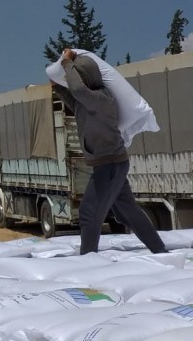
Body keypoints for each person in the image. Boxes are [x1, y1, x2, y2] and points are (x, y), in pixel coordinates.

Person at [51, 49, 167, 256]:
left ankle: (88, 261)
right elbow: (75, 101)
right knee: (128, 213)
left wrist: (67, 63)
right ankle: (160, 251)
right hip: (112, 164)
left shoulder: (103, 99)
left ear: (87, 78)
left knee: (89, 213)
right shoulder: (90, 103)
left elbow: (78, 91)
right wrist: (58, 88)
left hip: (110, 165)